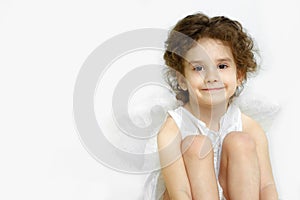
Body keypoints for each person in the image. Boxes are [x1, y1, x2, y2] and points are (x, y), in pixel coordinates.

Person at [143, 13, 278, 200]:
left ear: (239, 76)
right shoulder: (172, 128)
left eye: (222, 66)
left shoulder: (249, 127)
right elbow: (179, 192)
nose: (212, 77)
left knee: (241, 142)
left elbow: (266, 185)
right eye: (198, 68)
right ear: (182, 79)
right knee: (197, 145)